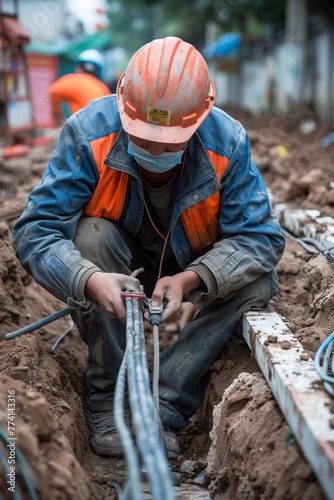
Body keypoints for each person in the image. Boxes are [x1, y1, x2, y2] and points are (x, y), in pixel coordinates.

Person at [12, 37, 285, 460]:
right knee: (91, 238)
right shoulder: (89, 135)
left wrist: (194, 277)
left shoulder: (226, 143)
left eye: (170, 142)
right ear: (123, 107)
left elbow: (261, 238)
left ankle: (166, 404)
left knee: (258, 281)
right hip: (115, 262)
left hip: (192, 259)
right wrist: (89, 279)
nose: (156, 150)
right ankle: (110, 400)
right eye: (144, 138)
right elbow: (36, 229)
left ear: (200, 119)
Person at [49, 49, 110, 125]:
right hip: (104, 131)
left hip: (84, 130)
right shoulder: (103, 87)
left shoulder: (71, 80)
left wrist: (58, 117)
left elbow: (53, 91)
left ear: (78, 66)